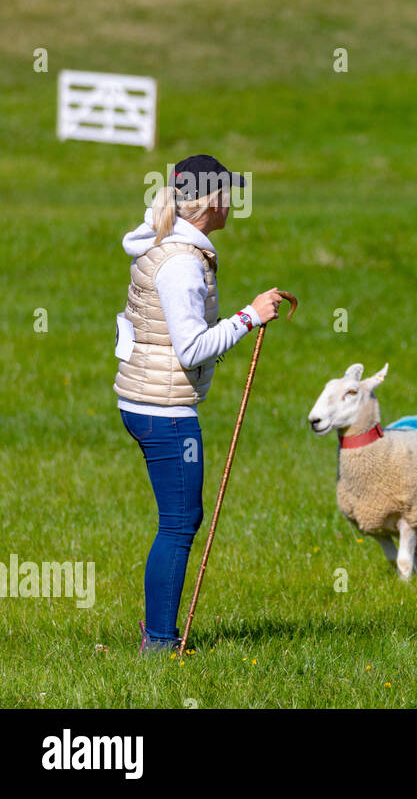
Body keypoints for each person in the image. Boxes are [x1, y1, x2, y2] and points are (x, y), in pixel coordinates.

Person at [114, 154, 283, 653]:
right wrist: (248, 318)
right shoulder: (183, 264)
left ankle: (159, 634)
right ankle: (161, 642)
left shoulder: (167, 242)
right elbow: (191, 348)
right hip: (164, 411)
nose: (234, 202)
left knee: (179, 519)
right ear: (211, 201)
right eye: (229, 193)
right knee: (180, 522)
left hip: (145, 399)